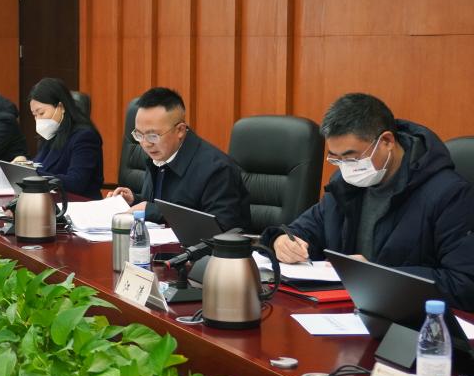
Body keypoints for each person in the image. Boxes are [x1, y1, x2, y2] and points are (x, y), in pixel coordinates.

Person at [262, 93, 474, 311]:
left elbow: (464, 283)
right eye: (336, 158)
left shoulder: (449, 194)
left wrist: (376, 275)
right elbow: (305, 230)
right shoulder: (345, 184)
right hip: (345, 310)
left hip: (410, 319)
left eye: (352, 157)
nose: (345, 167)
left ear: (387, 141)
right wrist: (281, 241)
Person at [108, 87, 251, 231]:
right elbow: (162, 204)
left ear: (180, 130)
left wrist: (151, 210)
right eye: (139, 135)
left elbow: (220, 229)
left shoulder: (218, 170)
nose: (145, 144)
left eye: (153, 136)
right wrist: (134, 201)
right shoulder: (159, 155)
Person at [22, 77, 103, 197]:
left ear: (61, 107)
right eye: (34, 115)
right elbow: (40, 167)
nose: (38, 119)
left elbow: (76, 183)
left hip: (80, 203)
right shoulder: (50, 135)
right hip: (50, 200)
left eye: (41, 113)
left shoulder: (85, 137)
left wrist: (32, 175)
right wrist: (23, 165)